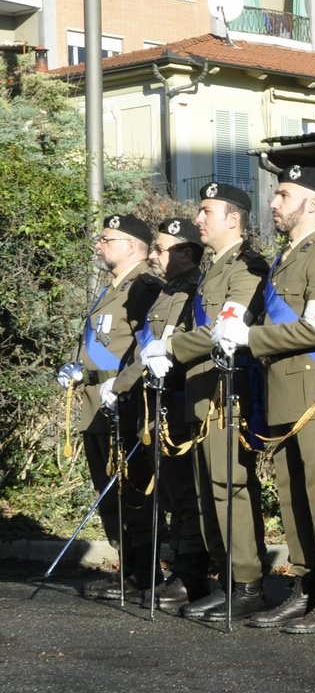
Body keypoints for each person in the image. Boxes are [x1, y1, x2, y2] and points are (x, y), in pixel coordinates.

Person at [211, 165, 315, 634]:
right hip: (282, 393)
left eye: (283, 195)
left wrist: (249, 335)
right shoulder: (287, 258)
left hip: (314, 391)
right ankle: (306, 588)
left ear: (312, 204)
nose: (274, 203)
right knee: (294, 496)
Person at [151, 182, 271, 621]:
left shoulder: (247, 267)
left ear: (233, 218)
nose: (198, 219)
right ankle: (227, 577)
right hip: (202, 393)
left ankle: (248, 584)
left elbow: (226, 326)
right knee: (207, 492)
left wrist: (170, 349)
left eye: (206, 211)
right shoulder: (214, 268)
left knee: (230, 488)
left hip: (228, 391)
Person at [63, 214, 162, 601]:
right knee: (109, 492)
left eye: (107, 239)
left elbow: (146, 347)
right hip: (94, 403)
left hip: (125, 402)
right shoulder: (109, 288)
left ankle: (145, 573)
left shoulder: (146, 288)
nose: (100, 245)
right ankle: (128, 567)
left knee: (132, 490)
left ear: (133, 245)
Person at [113, 216, 208, 611]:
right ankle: (181, 570)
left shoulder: (193, 291)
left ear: (186, 253)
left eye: (161, 249)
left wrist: (121, 384)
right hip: (157, 405)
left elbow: (179, 345)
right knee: (170, 493)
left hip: (180, 400)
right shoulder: (167, 292)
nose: (153, 255)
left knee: (186, 494)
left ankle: (192, 575)